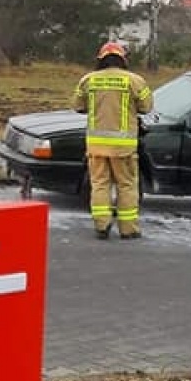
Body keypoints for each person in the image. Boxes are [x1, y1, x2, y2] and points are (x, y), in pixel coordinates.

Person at [72, 39, 153, 240]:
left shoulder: (88, 80)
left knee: (100, 184)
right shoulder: (134, 80)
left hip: (96, 146)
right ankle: (128, 229)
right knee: (126, 185)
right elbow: (146, 107)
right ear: (122, 59)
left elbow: (78, 106)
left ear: (100, 60)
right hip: (123, 147)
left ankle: (102, 226)